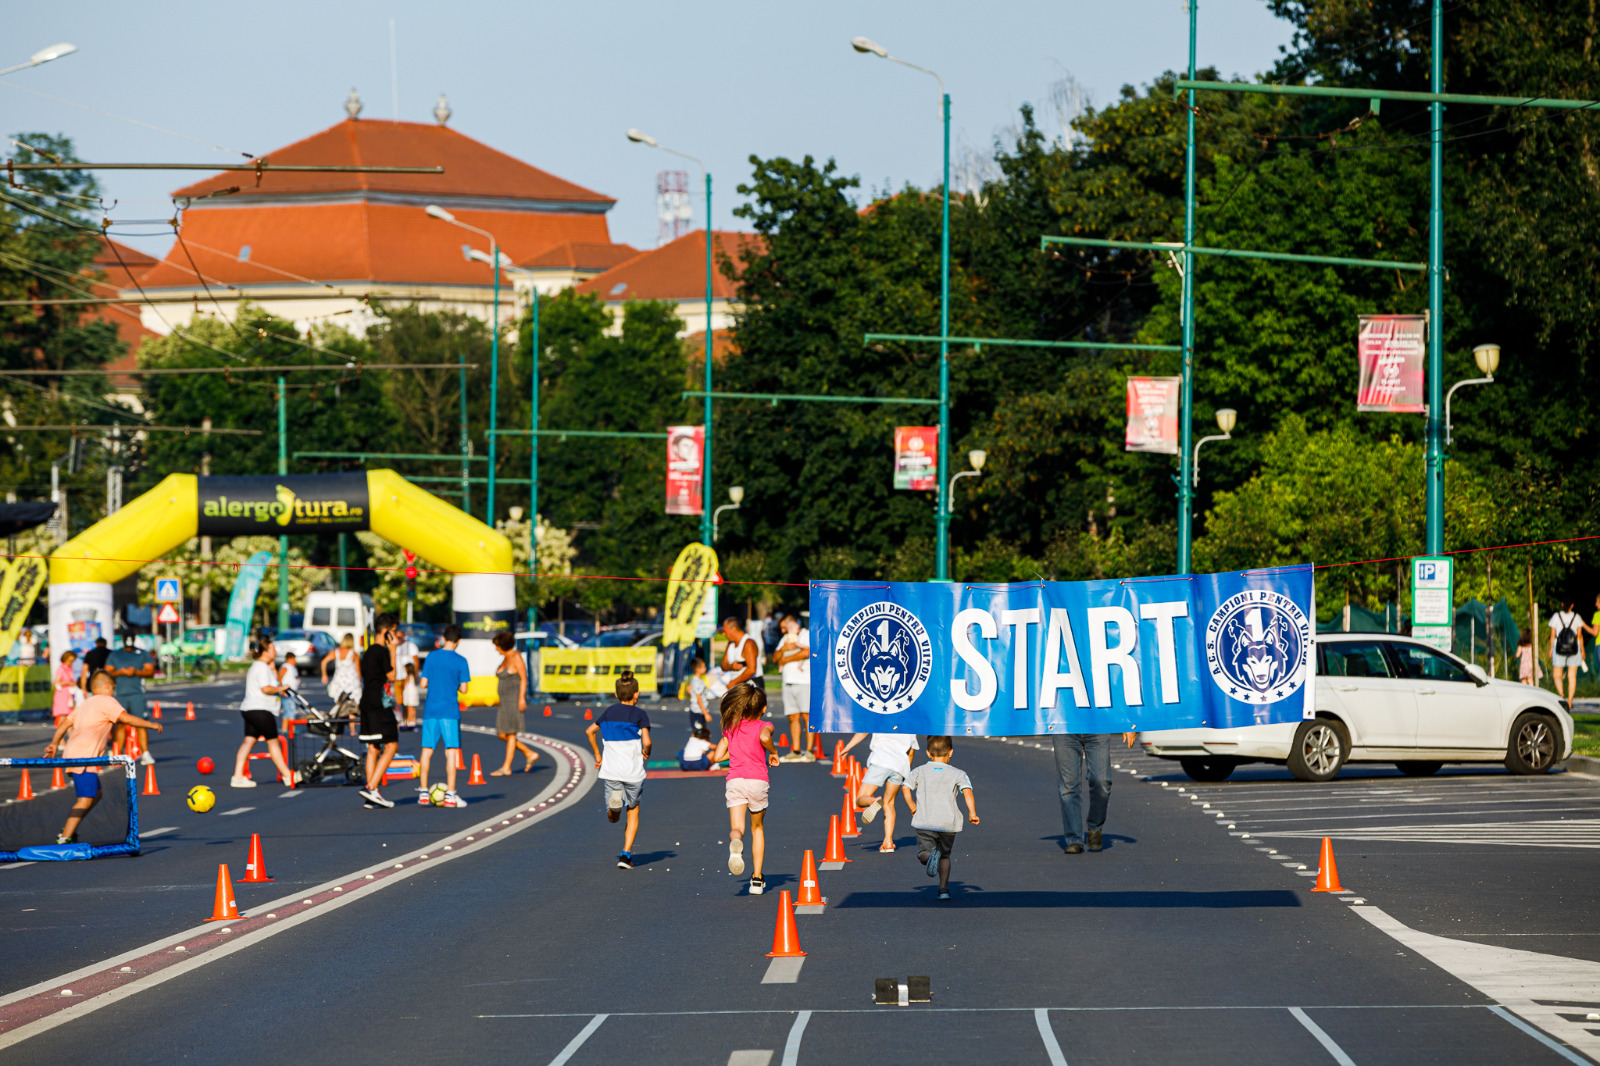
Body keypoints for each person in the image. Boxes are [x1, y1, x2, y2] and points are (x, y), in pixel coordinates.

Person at [43, 669, 163, 844]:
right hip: (83, 758)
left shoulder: (85, 703)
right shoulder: (107, 701)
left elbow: (66, 722)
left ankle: (70, 829)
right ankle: (64, 836)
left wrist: (54, 743)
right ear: (107, 686)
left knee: (96, 794)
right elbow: (126, 718)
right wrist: (149, 724)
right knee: (85, 799)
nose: (114, 692)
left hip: (74, 754)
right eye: (113, 688)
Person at [710, 681, 779, 895]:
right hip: (757, 781)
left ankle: (736, 842)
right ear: (763, 708)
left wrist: (738, 751)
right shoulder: (764, 725)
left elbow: (717, 756)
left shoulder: (731, 727)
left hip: (735, 781)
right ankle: (757, 879)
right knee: (757, 828)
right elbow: (765, 737)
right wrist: (773, 752)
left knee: (737, 828)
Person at [585, 670, 652, 869]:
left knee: (613, 817)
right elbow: (647, 741)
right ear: (637, 694)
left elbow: (590, 731)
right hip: (633, 773)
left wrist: (598, 754)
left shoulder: (609, 713)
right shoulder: (640, 715)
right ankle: (626, 854)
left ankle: (614, 808)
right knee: (633, 810)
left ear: (616, 694)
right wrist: (647, 750)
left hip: (611, 771)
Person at [902, 735, 979, 900]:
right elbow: (967, 792)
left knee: (923, 852)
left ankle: (930, 857)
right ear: (950, 752)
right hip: (948, 823)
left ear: (929, 753)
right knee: (945, 855)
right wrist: (972, 813)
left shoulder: (919, 771)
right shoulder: (958, 773)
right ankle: (943, 889)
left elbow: (906, 788)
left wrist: (912, 806)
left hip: (925, 821)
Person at [416, 623, 472, 808]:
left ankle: (423, 792)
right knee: (451, 752)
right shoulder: (461, 661)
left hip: (431, 710)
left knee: (427, 751)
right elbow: (464, 688)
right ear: (459, 641)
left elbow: (423, 684)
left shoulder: (431, 657)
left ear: (443, 638)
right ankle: (450, 795)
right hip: (449, 711)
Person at [1053, 731, 1134, 853]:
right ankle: (1074, 839)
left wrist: (1128, 725)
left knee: (1102, 781)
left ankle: (1095, 826)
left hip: (1097, 727)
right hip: (1064, 729)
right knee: (1068, 787)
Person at [232, 635, 296, 789]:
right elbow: (266, 688)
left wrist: (273, 670)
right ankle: (287, 775)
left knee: (249, 741)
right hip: (261, 709)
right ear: (265, 651)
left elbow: (271, 683)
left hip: (250, 708)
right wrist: (281, 688)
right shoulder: (260, 667)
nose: (275, 652)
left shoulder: (262, 666)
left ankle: (237, 776)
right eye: (273, 649)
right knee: (273, 742)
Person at [841, 731, 918, 853]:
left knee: (860, 799)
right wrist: (906, 773)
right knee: (889, 803)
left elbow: (863, 731)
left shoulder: (879, 714)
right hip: (900, 766)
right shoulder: (909, 723)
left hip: (880, 761)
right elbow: (911, 752)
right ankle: (888, 842)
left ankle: (873, 801)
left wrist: (848, 747)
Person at [357, 613, 400, 809]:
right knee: (391, 746)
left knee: (373, 747)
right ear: (386, 632)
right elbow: (392, 675)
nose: (396, 635)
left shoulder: (366, 653)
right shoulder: (382, 651)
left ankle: (371, 794)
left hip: (366, 701)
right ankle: (372, 786)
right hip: (379, 704)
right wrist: (393, 650)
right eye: (393, 631)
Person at [491, 629, 538, 775]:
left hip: (513, 700)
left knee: (510, 733)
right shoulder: (505, 657)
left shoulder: (516, 657)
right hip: (504, 702)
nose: (495, 648)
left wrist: (522, 698)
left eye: (497, 645)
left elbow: (524, 678)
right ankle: (529, 753)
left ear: (503, 645)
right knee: (501, 733)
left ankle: (506, 767)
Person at [106, 633, 156, 766]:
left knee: (141, 723)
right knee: (120, 724)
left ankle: (145, 753)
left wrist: (136, 672)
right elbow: (107, 672)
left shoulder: (142, 653)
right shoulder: (115, 655)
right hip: (120, 694)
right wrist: (120, 672)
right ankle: (119, 754)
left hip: (137, 693)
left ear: (134, 640)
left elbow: (150, 671)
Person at [773, 614, 813, 761]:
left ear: (794, 624)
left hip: (804, 681)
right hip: (788, 681)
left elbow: (807, 651)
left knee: (807, 716)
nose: (783, 631)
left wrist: (786, 658)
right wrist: (784, 648)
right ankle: (796, 750)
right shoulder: (786, 638)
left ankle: (809, 751)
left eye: (785, 627)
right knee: (793, 716)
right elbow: (775, 657)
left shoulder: (806, 635)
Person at [1550, 598, 1585, 710]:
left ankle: (1561, 695)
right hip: (1574, 649)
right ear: (1572, 605)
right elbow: (1579, 635)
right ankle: (1570, 701)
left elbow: (1552, 634)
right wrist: (1582, 650)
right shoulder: (1577, 617)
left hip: (1559, 648)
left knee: (1557, 675)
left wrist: (1551, 649)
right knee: (1572, 676)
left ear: (1562, 604)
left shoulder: (1556, 616)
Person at [719, 617, 764, 690]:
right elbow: (723, 665)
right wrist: (731, 666)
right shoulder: (730, 644)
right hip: (738, 685)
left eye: (725, 631)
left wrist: (733, 682)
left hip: (752, 685)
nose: (723, 634)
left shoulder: (748, 643)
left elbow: (751, 670)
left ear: (733, 629)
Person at [322, 633, 362, 708]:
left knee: (339, 704)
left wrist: (324, 675)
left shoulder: (335, 652)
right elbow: (358, 671)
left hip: (339, 680)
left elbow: (324, 662)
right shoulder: (353, 654)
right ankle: (351, 719)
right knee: (352, 706)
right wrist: (359, 683)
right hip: (351, 681)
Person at [395, 628, 422, 727]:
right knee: (400, 700)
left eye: (400, 637)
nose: (398, 639)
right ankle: (405, 719)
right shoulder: (395, 647)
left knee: (409, 701)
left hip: (407, 677)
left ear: (404, 636)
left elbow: (416, 660)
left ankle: (410, 720)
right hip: (398, 677)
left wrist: (414, 675)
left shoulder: (411, 646)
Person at [52, 649, 79, 725]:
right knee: (63, 718)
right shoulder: (61, 669)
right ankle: (61, 737)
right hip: (62, 696)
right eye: (70, 660)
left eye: (72, 661)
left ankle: (72, 736)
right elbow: (55, 683)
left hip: (69, 695)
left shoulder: (70, 669)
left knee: (70, 719)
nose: (71, 663)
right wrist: (67, 682)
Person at [278, 652, 301, 719]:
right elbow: (279, 678)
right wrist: (282, 690)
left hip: (292, 693)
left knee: (289, 712)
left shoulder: (292, 667)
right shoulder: (285, 667)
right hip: (287, 693)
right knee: (290, 712)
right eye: (294, 659)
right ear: (289, 659)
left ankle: (289, 728)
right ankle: (288, 728)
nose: (295, 661)